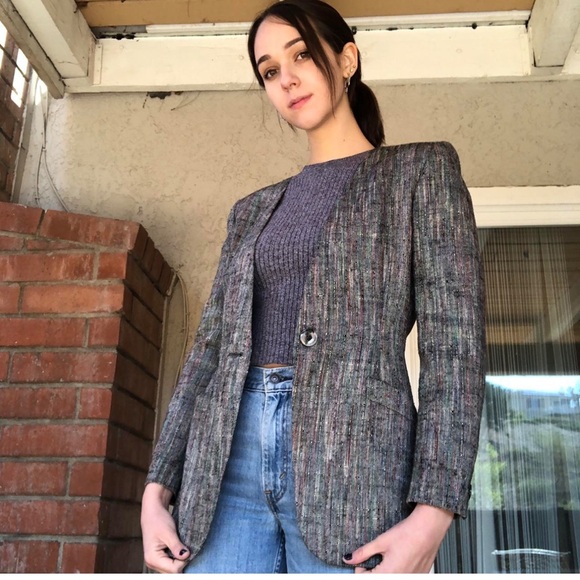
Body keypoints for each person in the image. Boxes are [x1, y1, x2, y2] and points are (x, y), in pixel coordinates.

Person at [140, 0, 486, 574]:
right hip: (225, 465)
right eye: (270, 70)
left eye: (301, 55)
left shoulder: (419, 173)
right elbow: (207, 351)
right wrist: (156, 491)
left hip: (353, 469)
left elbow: (454, 349)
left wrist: (435, 510)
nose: (287, 79)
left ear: (347, 59)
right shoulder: (250, 211)